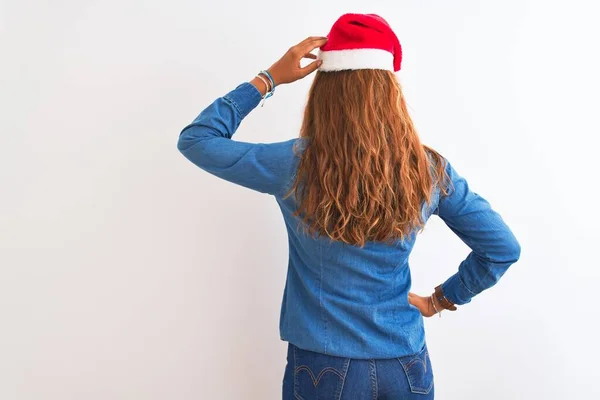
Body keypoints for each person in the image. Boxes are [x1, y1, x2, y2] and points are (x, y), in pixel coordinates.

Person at [177, 13, 520, 400]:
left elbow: (197, 139)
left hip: (323, 369)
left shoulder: (294, 163)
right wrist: (441, 299)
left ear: (325, 93)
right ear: (391, 92)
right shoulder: (427, 169)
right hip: (407, 367)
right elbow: (502, 248)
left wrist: (269, 78)